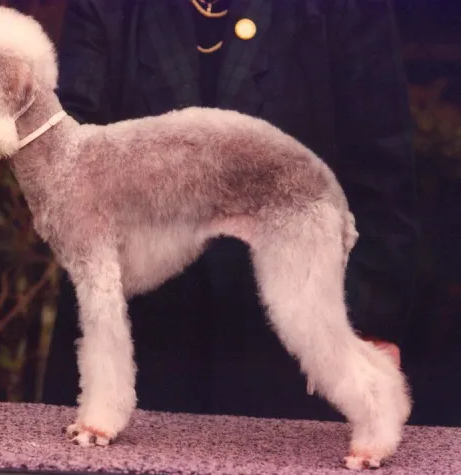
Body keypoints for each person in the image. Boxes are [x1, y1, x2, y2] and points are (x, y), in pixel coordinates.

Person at [43, 0, 419, 420]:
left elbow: (382, 167)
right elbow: (67, 141)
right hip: (141, 327)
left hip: (285, 341)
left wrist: (371, 320)